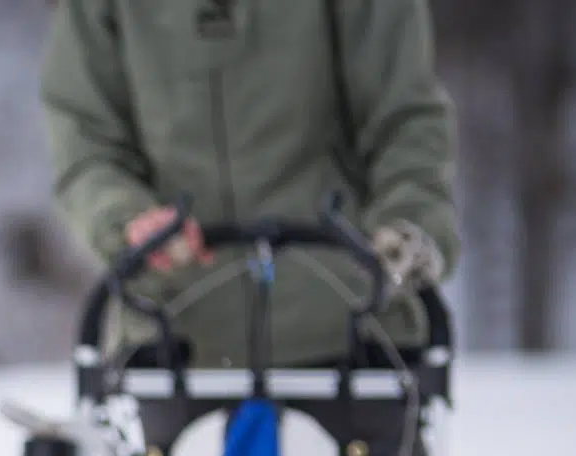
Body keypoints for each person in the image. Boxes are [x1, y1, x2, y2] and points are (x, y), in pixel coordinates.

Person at [39, 0, 459, 368]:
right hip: (171, 341)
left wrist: (408, 225)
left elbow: (405, 122)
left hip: (357, 333)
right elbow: (87, 147)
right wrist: (129, 221)